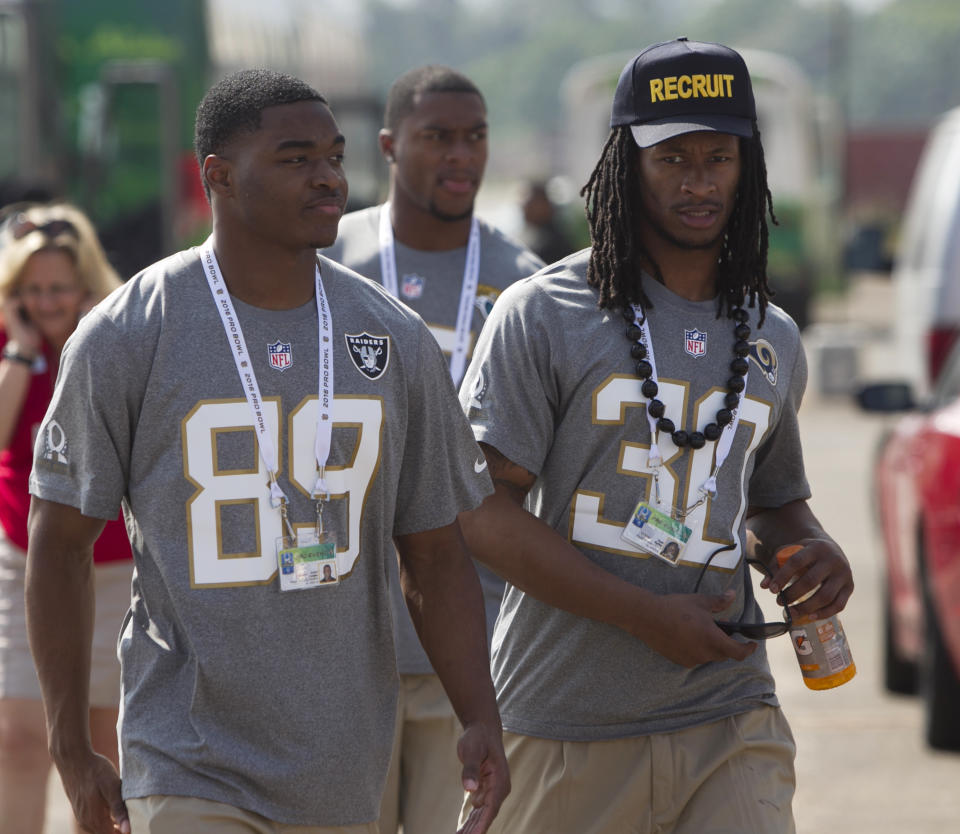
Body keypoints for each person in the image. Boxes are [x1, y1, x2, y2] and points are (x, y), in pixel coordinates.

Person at [25, 69, 508, 834]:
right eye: (294, 158)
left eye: (333, 156)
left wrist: (477, 713)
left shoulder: (391, 336)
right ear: (217, 175)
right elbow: (59, 544)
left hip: (344, 769)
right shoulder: (129, 332)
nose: (327, 177)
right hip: (186, 758)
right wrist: (69, 745)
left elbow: (436, 553)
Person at [457, 38, 854, 834]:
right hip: (568, 718)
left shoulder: (772, 334)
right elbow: (481, 516)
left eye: (719, 157)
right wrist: (640, 613)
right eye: (672, 158)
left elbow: (774, 504)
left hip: (730, 715)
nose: (700, 181)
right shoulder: (544, 313)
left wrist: (814, 550)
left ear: (750, 168)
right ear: (624, 164)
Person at [324, 64, 542, 834]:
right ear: (388, 145)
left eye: (475, 137)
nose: (460, 156)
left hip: (474, 651)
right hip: (340, 646)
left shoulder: (526, 288)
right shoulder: (321, 260)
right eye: (437, 137)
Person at [0, 202, 132, 834]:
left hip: (109, 564)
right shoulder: (8, 342)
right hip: (21, 558)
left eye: (58, 288)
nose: (46, 301)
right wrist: (22, 354)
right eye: (33, 290)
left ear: (84, 286)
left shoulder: (112, 335)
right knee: (19, 735)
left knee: (101, 741)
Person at [517, 179, 575, 265]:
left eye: (530, 202)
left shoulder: (552, 245)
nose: (524, 207)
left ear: (546, 204)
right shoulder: (539, 238)